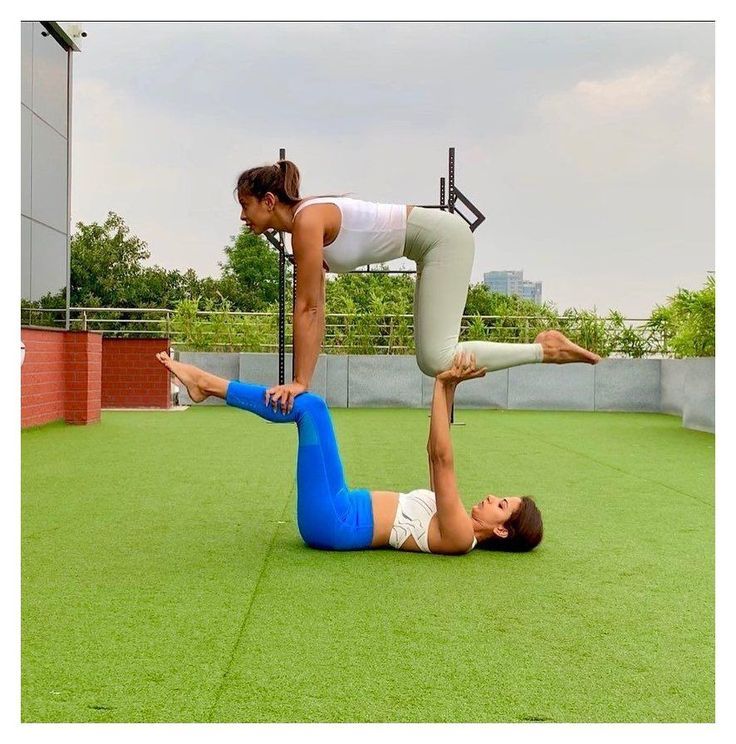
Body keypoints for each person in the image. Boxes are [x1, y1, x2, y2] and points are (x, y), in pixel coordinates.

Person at [235, 160, 601, 414]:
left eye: (246, 205)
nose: (242, 216)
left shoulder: (306, 221)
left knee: (438, 359)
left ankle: (546, 349)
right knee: (432, 361)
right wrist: (304, 381)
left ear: (269, 201)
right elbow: (318, 308)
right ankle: (544, 349)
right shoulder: (307, 223)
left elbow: (307, 307)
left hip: (443, 239)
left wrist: (299, 382)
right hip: (428, 247)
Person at [155, 350, 543, 555]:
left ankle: (207, 384)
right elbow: (432, 453)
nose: (493, 497)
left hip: (334, 522)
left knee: (308, 407)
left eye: (501, 504)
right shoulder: (455, 520)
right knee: (314, 407)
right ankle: (207, 386)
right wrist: (449, 388)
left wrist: (442, 384)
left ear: (502, 528)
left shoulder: (460, 537)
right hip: (341, 504)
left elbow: (443, 459)